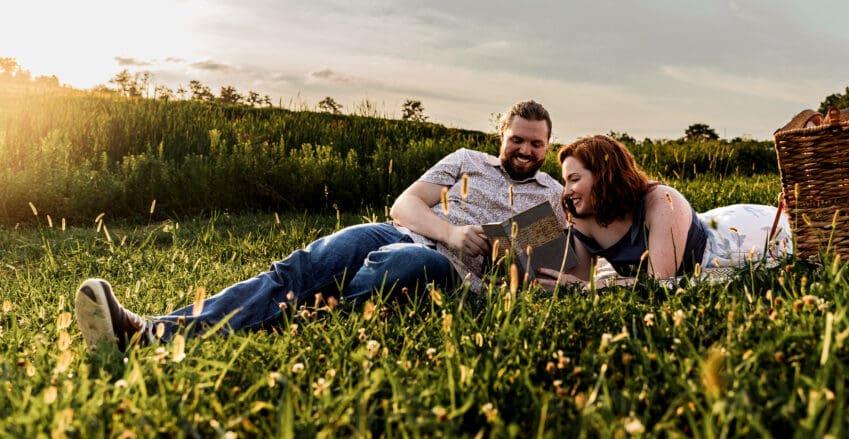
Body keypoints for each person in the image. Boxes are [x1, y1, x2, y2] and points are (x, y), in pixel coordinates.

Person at [75, 100, 566, 351]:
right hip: (406, 233)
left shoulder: (551, 197)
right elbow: (404, 206)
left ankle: (308, 314)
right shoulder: (465, 160)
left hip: (452, 273)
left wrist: (497, 253)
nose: (524, 151)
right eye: (516, 140)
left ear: (548, 147)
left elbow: (533, 266)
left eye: (535, 145)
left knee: (406, 264)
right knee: (317, 258)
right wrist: (453, 231)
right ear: (500, 136)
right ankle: (151, 333)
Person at [534, 135, 791, 290]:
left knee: (792, 239)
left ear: (604, 177)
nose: (566, 191)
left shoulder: (661, 201)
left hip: (735, 239)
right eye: (565, 181)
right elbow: (578, 281)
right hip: (702, 225)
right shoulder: (582, 214)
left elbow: (659, 280)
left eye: (574, 179)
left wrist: (594, 287)